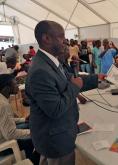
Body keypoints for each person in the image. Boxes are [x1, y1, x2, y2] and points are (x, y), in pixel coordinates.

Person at [25, 20, 88, 165]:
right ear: (46, 38)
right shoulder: (41, 70)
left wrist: (97, 79)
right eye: (61, 36)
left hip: (54, 134)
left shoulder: (50, 61)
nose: (65, 41)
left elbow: (67, 80)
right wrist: (74, 87)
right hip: (55, 139)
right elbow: (55, 109)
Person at [0, 74, 39, 164]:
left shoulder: (2, 99)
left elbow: (6, 120)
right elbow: (10, 134)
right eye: (15, 83)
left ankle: (29, 157)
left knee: (30, 125)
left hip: (3, 133)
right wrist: (33, 133)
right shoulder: (3, 105)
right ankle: (31, 162)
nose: (17, 85)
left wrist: (23, 119)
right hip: (4, 144)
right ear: (7, 87)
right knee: (37, 139)